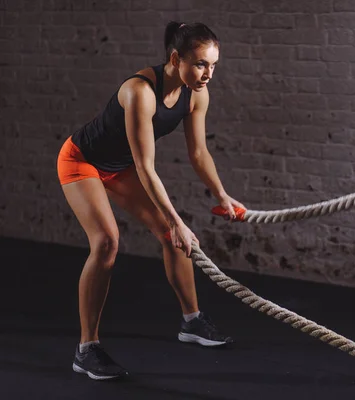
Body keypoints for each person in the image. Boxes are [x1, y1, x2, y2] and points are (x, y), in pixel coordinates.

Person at [56, 21, 245, 380]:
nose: (208, 74)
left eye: (214, 65)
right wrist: (177, 220)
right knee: (107, 242)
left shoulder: (196, 93)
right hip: (82, 160)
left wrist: (222, 195)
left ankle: (192, 322)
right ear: (176, 58)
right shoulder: (140, 91)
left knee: (169, 235)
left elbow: (199, 153)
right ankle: (86, 349)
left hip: (119, 166)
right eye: (201, 64)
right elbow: (146, 165)